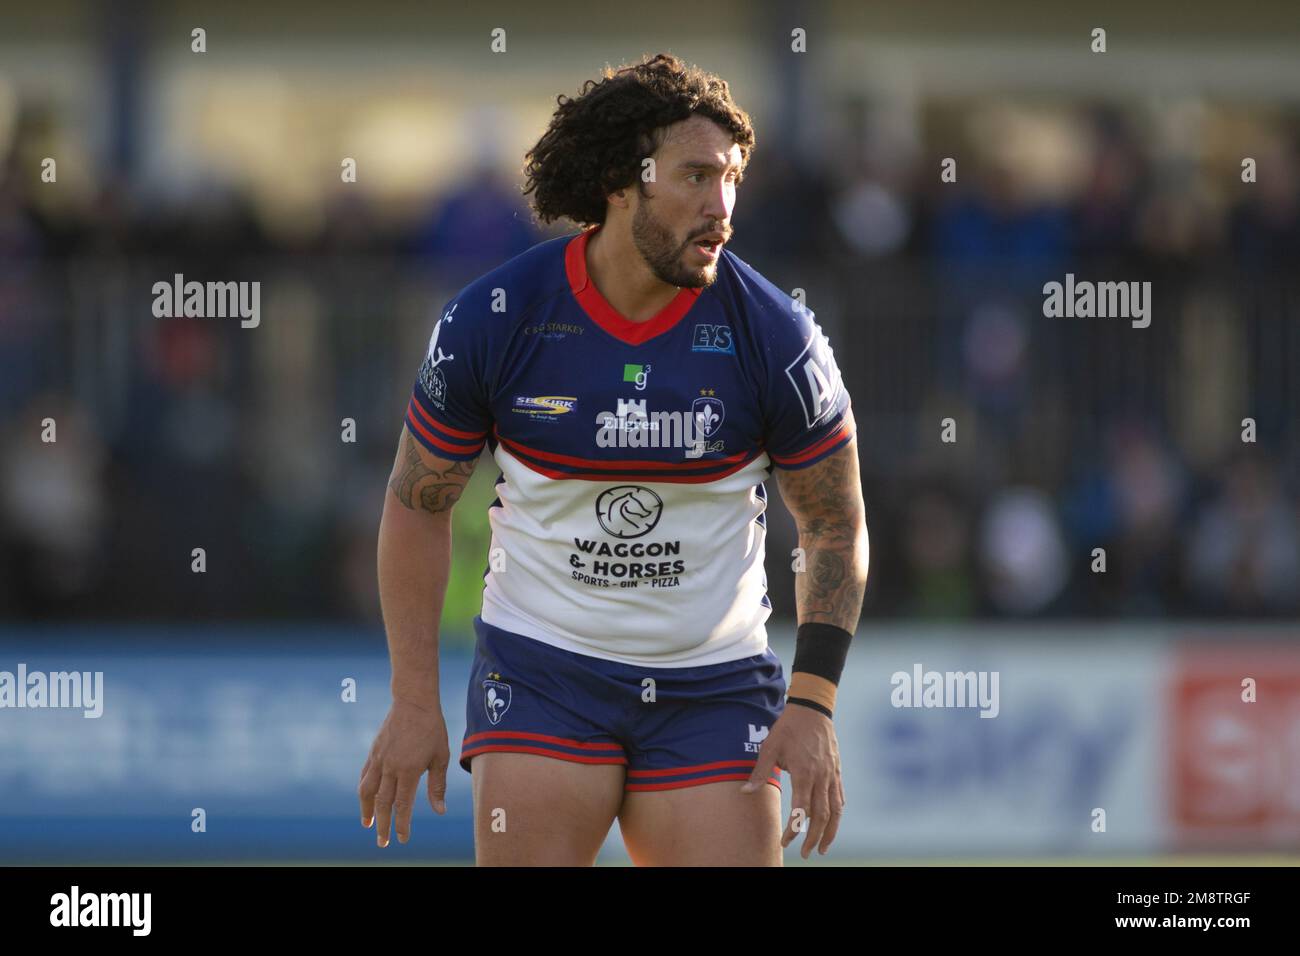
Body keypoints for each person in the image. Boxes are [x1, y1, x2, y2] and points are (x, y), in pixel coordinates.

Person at [358, 52, 869, 865]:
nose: (722, 206)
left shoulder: (779, 337)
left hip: (715, 683)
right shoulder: (495, 320)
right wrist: (413, 698)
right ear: (620, 181)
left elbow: (834, 526)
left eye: (733, 178)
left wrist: (812, 703)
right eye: (696, 176)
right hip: (543, 675)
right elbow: (418, 502)